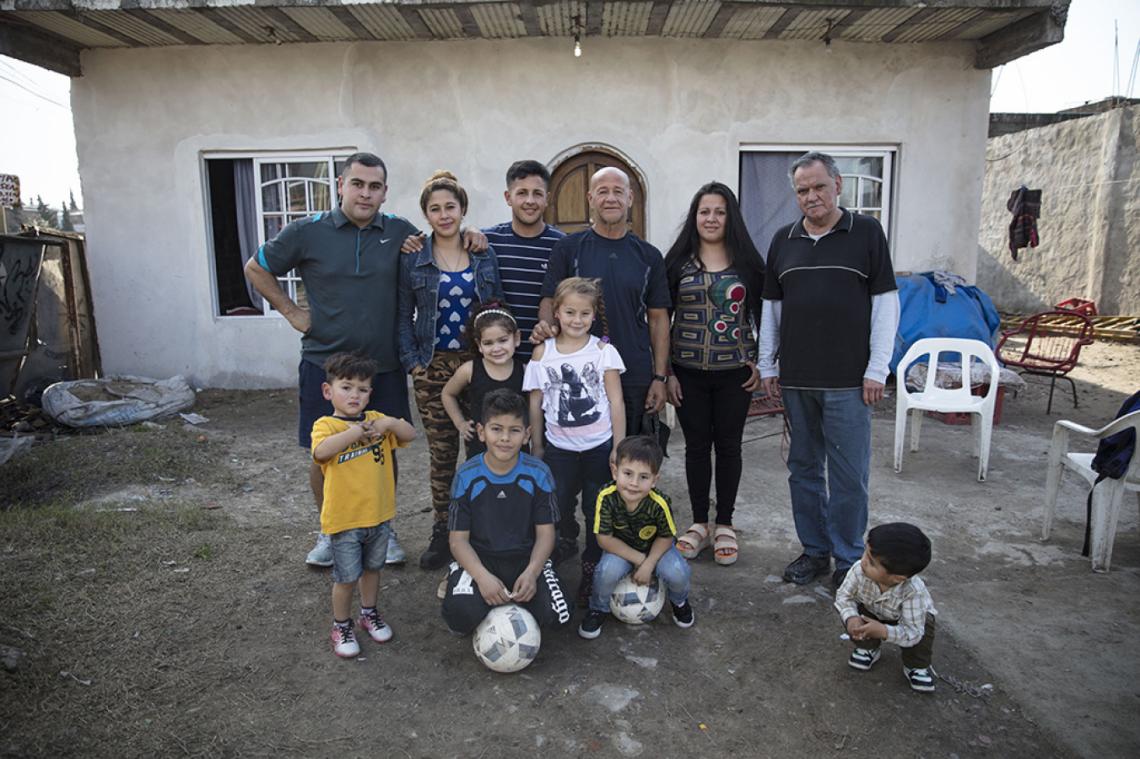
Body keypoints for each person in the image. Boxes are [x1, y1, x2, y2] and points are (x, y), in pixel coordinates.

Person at [244, 152, 482, 569]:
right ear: (341, 185)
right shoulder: (306, 232)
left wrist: (472, 234)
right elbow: (256, 268)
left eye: (375, 187)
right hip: (325, 364)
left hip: (383, 366)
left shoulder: (400, 234)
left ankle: (381, 529)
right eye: (358, 184)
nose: (365, 193)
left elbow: (442, 241)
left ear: (385, 192)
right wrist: (292, 312)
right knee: (323, 452)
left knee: (381, 449)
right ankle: (329, 530)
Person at [758, 151, 900, 588]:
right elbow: (771, 310)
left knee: (847, 476)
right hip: (797, 380)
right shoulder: (783, 240)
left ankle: (847, 558)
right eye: (802, 190)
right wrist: (768, 364)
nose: (811, 196)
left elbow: (885, 305)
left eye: (819, 186)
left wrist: (878, 368)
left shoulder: (868, 233)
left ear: (838, 185)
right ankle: (815, 551)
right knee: (803, 470)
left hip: (849, 384)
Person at [399, 170, 505, 575]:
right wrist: (414, 362)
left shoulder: (482, 251)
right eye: (435, 209)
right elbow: (402, 314)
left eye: (450, 207)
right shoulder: (413, 256)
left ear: (463, 209)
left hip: (478, 363)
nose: (444, 215)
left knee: (482, 449)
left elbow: (497, 303)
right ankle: (443, 531)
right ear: (426, 214)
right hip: (433, 363)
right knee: (443, 454)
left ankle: (482, 529)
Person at [663, 182, 765, 567]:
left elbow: (763, 315)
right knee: (694, 447)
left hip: (734, 374)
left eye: (719, 212)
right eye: (704, 211)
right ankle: (699, 524)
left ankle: (725, 523)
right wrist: (666, 371)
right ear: (695, 217)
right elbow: (660, 319)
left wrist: (761, 360)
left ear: (730, 217)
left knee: (730, 447)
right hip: (687, 372)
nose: (710, 218)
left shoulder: (748, 265)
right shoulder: (677, 263)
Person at [536, 167, 670, 438]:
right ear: (590, 198)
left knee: (631, 459)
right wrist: (546, 335)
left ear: (630, 198)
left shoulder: (649, 256)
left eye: (618, 191)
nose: (611, 198)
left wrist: (659, 378)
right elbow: (549, 302)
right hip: (576, 373)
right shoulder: (568, 249)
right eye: (602, 191)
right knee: (582, 458)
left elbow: (658, 319)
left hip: (634, 373)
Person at [310, 352, 417, 658]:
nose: (354, 394)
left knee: (372, 570)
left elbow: (410, 434)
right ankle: (341, 624)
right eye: (346, 387)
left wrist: (391, 422)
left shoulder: (377, 421)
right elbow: (321, 454)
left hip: (379, 516)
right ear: (328, 391)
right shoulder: (326, 425)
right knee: (345, 578)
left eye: (362, 388)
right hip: (345, 520)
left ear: (371, 393)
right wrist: (355, 432)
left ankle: (368, 613)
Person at [526, 277, 626, 602]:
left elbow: (616, 401)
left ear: (594, 315)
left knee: (597, 508)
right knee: (558, 505)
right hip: (560, 449)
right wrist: (537, 446)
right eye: (570, 312)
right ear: (556, 312)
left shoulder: (603, 352)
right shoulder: (543, 353)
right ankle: (561, 546)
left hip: (599, 447)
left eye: (585, 313)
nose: (577, 320)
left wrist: (619, 448)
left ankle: (591, 565)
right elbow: (536, 404)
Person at [441, 389, 571, 636]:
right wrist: (482, 577)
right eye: (496, 429)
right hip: (482, 557)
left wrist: (532, 572)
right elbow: (458, 541)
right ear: (481, 432)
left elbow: (546, 535)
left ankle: (521, 595)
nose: (504, 438)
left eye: (514, 430)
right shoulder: (467, 475)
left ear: (527, 435)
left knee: (559, 615)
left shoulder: (539, 473)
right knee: (460, 616)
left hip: (526, 557)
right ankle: (461, 578)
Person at [578, 436, 694, 639]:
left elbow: (666, 537)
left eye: (643, 477)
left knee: (678, 573)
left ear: (655, 479)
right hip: (620, 549)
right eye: (628, 473)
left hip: (656, 550)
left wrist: (650, 563)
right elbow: (604, 540)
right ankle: (598, 607)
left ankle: (679, 601)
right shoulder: (606, 497)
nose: (633, 483)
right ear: (615, 471)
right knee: (606, 572)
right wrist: (641, 561)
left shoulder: (659, 502)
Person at [834, 522, 938, 693]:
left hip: (909, 621)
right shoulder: (859, 570)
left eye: (872, 562)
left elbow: (913, 632)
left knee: (923, 634)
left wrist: (884, 631)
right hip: (872, 610)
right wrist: (851, 618)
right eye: (865, 553)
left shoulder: (913, 592)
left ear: (897, 578)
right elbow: (844, 597)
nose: (863, 562)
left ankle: (916, 666)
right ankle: (868, 649)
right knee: (858, 618)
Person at [482, 161, 566, 360]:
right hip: (498, 360)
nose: (530, 200)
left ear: (547, 198)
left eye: (537, 193)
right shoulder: (487, 242)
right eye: (522, 193)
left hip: (548, 358)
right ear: (508, 197)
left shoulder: (563, 245)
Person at [441, 303, 526, 460]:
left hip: (516, 449)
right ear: (479, 345)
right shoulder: (470, 370)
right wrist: (460, 422)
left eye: (503, 340)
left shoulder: (525, 371)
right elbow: (448, 393)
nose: (496, 348)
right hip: (480, 449)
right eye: (488, 343)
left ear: (516, 338)